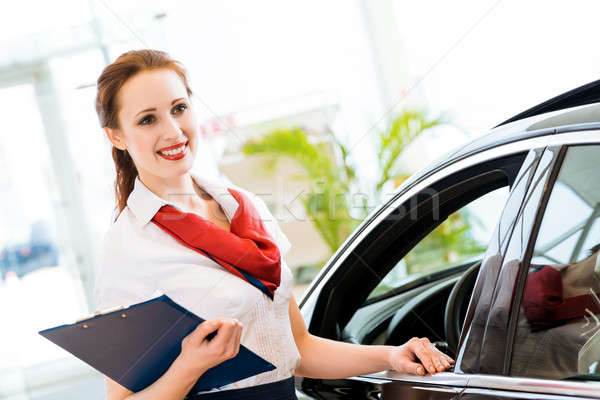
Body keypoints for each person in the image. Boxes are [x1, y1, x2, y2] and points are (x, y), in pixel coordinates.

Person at [93, 49, 454, 400]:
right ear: (116, 136)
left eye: (179, 108)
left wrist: (389, 356)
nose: (173, 131)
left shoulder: (246, 209)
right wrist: (191, 365)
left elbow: (298, 349)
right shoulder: (127, 248)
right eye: (147, 119)